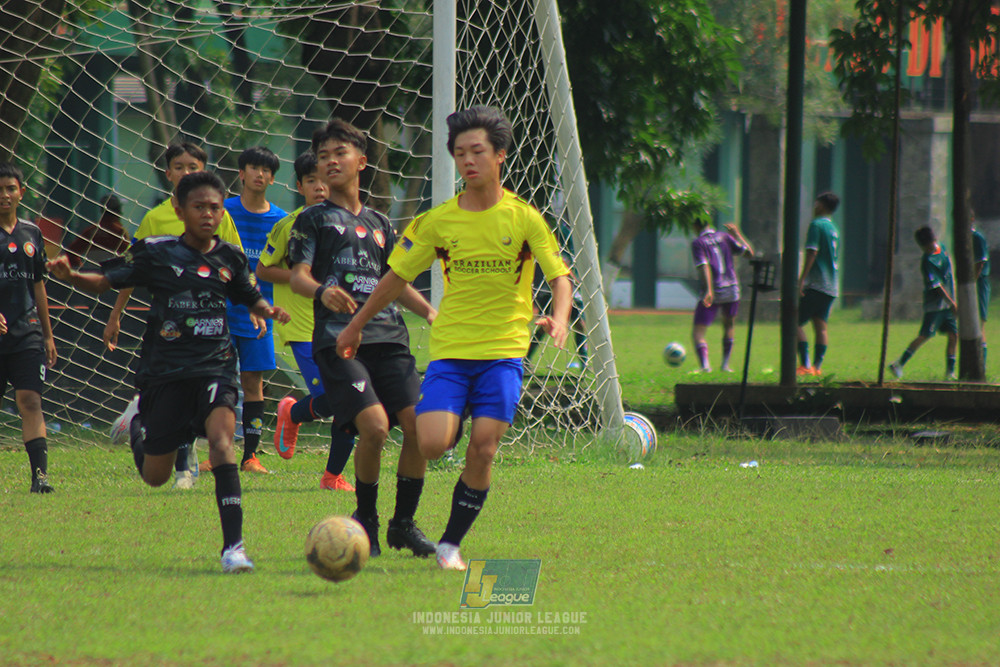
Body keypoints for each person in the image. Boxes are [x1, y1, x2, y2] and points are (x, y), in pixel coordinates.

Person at [336, 106, 571, 571]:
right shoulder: (438, 221)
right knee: (431, 445)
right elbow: (394, 277)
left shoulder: (525, 218)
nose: (467, 160)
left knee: (484, 449)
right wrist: (356, 323)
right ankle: (453, 418)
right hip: (451, 353)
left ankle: (449, 544)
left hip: (503, 353)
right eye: (460, 153)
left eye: (477, 151)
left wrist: (560, 319)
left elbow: (560, 277)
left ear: (499, 155)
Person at [47, 171, 290, 573]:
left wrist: (267, 309)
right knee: (156, 476)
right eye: (199, 207)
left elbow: (248, 294)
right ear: (180, 210)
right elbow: (105, 281)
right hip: (165, 373)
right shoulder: (156, 252)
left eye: (214, 207)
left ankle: (234, 548)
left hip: (215, 366)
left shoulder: (229, 257)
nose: (208, 214)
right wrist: (72, 276)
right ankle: (137, 424)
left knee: (222, 443)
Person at [288, 119, 438, 558]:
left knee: (418, 427)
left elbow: (396, 281)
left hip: (390, 338)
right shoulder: (312, 219)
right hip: (339, 340)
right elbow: (297, 276)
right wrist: (322, 291)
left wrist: (431, 312)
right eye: (323, 156)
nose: (330, 162)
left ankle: (403, 524)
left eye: (340, 153)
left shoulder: (379, 222)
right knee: (375, 428)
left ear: (362, 162)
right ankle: (366, 520)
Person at [105, 142, 243, 489]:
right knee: (176, 395)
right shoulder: (155, 219)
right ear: (168, 174)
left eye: (193, 167)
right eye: (179, 167)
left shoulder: (219, 216)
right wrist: (115, 315)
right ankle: (169, 452)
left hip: (209, 326)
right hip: (169, 327)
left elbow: (234, 267)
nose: (186, 172)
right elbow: (132, 271)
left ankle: (187, 467)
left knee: (207, 398)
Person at [256, 150, 356, 491]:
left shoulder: (350, 224)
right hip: (303, 329)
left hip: (343, 327)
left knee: (349, 399)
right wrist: (305, 279)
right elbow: (263, 270)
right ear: (299, 186)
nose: (319, 187)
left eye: (324, 180)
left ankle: (329, 471)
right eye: (311, 181)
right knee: (341, 397)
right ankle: (296, 417)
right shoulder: (289, 226)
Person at [197, 146, 286, 475]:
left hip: (259, 314)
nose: (260, 174)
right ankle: (215, 453)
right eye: (253, 168)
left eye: (266, 170)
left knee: (253, 382)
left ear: (273, 178)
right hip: (220, 311)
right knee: (218, 382)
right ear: (241, 173)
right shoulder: (223, 211)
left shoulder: (280, 220)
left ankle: (250, 456)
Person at [0, 162, 58, 493]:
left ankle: (40, 477)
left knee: (30, 400)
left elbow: (38, 285)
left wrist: (48, 335)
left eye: (11, 188)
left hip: (27, 334)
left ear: (21, 192)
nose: (5, 195)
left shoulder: (31, 233)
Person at [889, 226, 958, 380]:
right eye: (925, 247)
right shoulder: (927, 261)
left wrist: (951, 301)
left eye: (929, 245)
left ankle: (950, 372)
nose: (927, 249)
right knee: (925, 335)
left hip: (947, 305)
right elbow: (937, 286)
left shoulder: (943, 249)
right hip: (935, 306)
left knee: (954, 335)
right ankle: (898, 364)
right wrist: (951, 302)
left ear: (934, 240)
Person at [689, 220, 753, 373]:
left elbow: (704, 266)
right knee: (729, 325)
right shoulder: (724, 237)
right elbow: (749, 253)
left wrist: (709, 290)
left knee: (698, 331)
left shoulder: (698, 243)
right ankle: (725, 365)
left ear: (696, 226)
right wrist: (737, 234)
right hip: (732, 289)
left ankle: (705, 366)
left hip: (714, 290)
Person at [796, 192, 840, 376]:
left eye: (817, 203)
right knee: (820, 326)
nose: (814, 206)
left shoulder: (816, 225)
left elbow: (812, 252)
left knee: (792, 322)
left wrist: (802, 279)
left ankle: (805, 365)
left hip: (817, 283)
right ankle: (817, 366)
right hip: (831, 286)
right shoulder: (833, 228)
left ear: (822, 206)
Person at [62, 194, 129, 269]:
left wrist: (81, 269)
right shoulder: (119, 232)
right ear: (118, 212)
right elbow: (130, 256)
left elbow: (71, 252)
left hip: (93, 272)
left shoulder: (91, 231)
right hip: (114, 273)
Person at [972, 215, 990, 368]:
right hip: (969, 284)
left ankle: (981, 365)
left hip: (979, 283)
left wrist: (971, 282)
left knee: (979, 323)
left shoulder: (977, 237)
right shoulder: (963, 238)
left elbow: (980, 263)